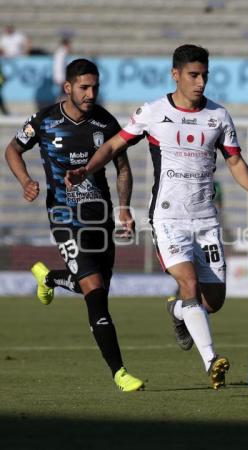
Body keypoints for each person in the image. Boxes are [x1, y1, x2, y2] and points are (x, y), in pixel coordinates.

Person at [65, 45, 248, 390]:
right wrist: (87, 168)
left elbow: (234, 160)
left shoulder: (219, 116)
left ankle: (177, 311)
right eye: (193, 75)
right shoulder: (154, 111)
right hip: (168, 217)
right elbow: (115, 145)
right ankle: (211, 362)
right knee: (188, 283)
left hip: (206, 219)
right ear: (175, 74)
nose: (201, 82)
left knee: (211, 301)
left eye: (205, 75)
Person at [5, 58, 144, 393]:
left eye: (94, 86)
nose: (90, 93)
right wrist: (26, 180)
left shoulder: (106, 122)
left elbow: (122, 168)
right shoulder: (45, 120)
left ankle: (50, 276)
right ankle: (120, 373)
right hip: (64, 216)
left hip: (100, 216)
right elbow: (12, 148)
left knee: (96, 290)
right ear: (67, 87)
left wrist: (124, 209)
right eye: (84, 87)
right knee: (94, 294)